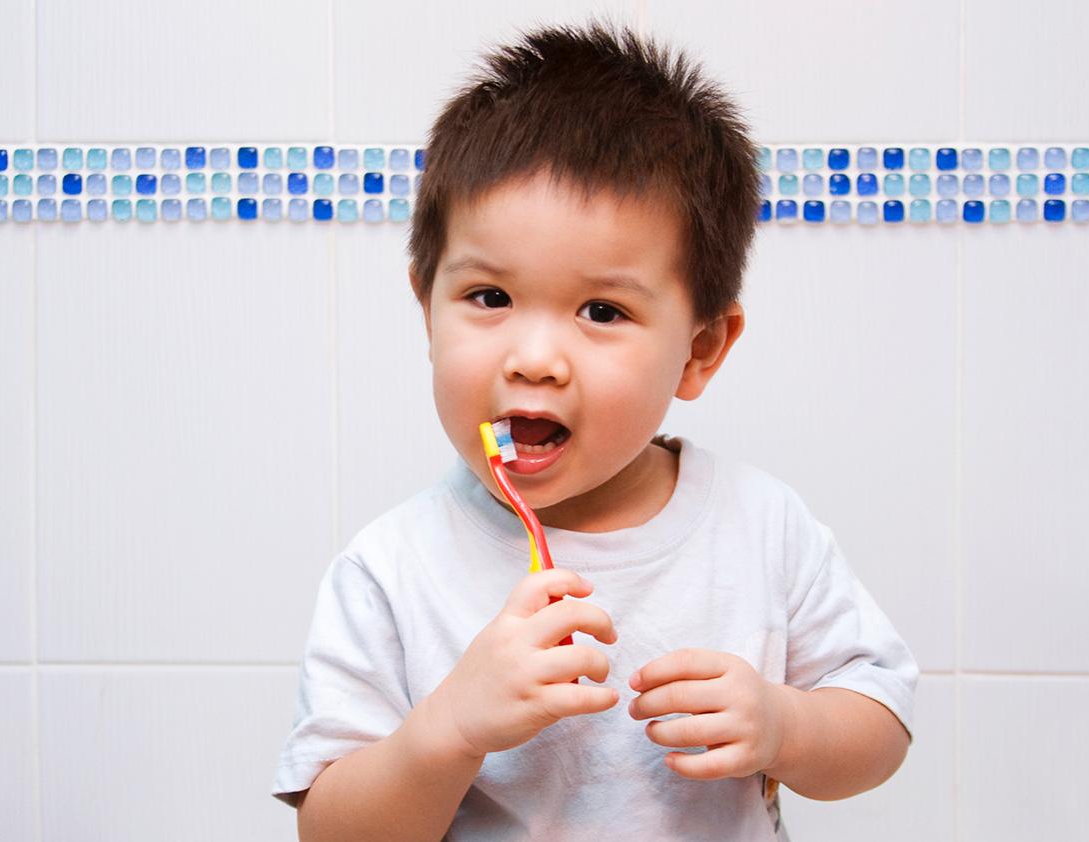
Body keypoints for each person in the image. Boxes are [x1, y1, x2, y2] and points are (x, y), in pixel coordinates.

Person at [272, 20, 918, 841]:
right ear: (425, 310)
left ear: (700, 350)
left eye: (602, 311)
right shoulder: (390, 572)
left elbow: (882, 726)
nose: (534, 358)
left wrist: (788, 727)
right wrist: (451, 729)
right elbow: (333, 830)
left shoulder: (761, 527)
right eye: (490, 298)